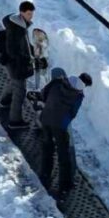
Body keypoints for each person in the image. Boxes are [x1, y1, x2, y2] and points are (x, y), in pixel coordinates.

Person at [38, 69, 93, 199]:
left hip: (45, 117)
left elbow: (43, 94)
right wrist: (63, 121)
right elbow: (73, 113)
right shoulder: (78, 96)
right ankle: (64, 185)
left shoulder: (58, 82)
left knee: (47, 147)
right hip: (59, 126)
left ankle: (45, 175)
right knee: (63, 155)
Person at [1, 0, 37, 129]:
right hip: (16, 65)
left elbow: (24, 44)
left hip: (13, 64)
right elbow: (12, 50)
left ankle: (5, 101)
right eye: (28, 14)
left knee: (13, 82)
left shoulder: (19, 24)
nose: (31, 16)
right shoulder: (16, 29)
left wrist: (32, 50)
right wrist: (27, 58)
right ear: (21, 12)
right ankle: (15, 121)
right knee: (20, 92)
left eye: (32, 14)